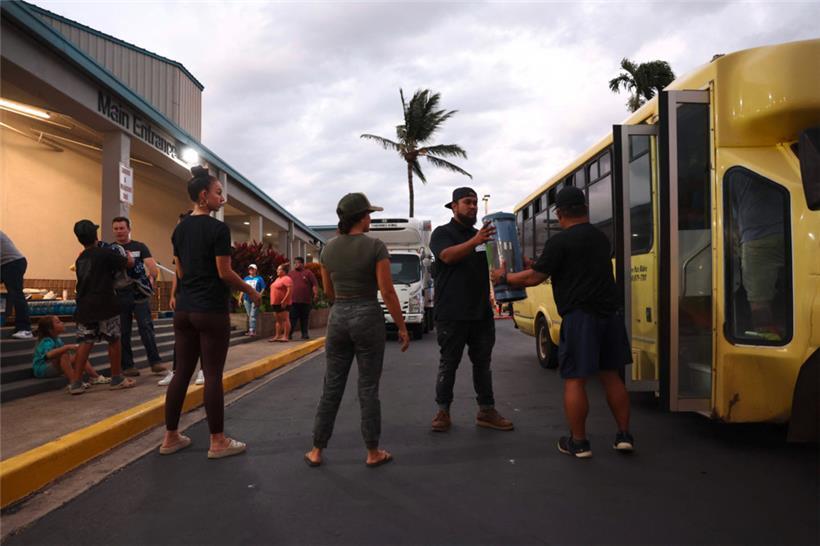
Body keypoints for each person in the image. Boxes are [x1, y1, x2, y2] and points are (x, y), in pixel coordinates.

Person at [491, 186, 633, 458]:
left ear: (560, 213)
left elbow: (533, 278)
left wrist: (504, 278)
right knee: (611, 376)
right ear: (585, 209)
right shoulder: (601, 238)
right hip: (610, 316)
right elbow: (563, 267)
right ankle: (624, 435)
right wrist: (535, 263)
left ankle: (578, 442)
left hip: (581, 318)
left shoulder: (560, 242)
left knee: (575, 379)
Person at [160, 166, 262, 459]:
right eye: (219, 193)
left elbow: (179, 269)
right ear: (203, 196)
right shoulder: (218, 229)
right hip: (211, 309)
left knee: (182, 373)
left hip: (185, 309)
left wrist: (180, 293)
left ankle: (170, 437)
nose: (223, 198)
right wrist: (250, 290)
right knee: (213, 374)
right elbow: (224, 272)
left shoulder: (179, 229)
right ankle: (217, 441)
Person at [304, 193, 410, 468]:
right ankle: (372, 451)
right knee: (368, 387)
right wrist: (401, 327)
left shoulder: (327, 249)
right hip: (367, 315)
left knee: (332, 386)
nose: (370, 218)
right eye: (368, 214)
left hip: (338, 316)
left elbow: (328, 292)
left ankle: (316, 449)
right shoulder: (375, 247)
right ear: (361, 217)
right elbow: (386, 291)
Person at [428, 187, 514, 433]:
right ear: (454, 206)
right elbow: (446, 256)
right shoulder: (442, 233)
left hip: (480, 313)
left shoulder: (482, 237)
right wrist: (475, 241)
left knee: (482, 364)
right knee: (449, 363)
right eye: (468, 202)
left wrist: (503, 271)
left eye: (476, 202)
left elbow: (493, 267)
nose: (473, 206)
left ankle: (486, 411)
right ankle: (443, 411)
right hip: (451, 313)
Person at [71, 220, 137, 395]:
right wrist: (129, 257)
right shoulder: (105, 253)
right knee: (114, 340)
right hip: (106, 303)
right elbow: (128, 263)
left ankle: (76, 382)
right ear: (96, 236)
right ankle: (117, 378)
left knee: (85, 342)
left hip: (84, 305)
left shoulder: (80, 258)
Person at [112, 217, 168, 377]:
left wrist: (151, 280)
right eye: (115, 229)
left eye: (121, 228)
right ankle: (128, 366)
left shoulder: (139, 246)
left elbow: (152, 267)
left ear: (129, 229)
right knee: (124, 331)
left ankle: (155, 362)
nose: (119, 231)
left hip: (139, 294)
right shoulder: (111, 249)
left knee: (146, 327)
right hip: (120, 294)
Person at [157, 211, 204, 387]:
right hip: (184, 297)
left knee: (201, 334)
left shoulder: (202, 245)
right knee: (181, 336)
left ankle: (203, 370)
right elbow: (178, 273)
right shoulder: (180, 246)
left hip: (200, 296)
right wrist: (173, 295)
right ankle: (176, 371)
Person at [33, 315, 110, 386]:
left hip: (53, 366)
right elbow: (48, 355)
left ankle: (94, 377)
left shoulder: (57, 339)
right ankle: (74, 382)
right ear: (50, 329)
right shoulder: (46, 341)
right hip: (42, 369)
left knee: (79, 356)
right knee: (64, 356)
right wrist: (67, 347)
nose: (62, 323)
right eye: (58, 322)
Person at [1, 230, 33, 339]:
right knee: (15, 294)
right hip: (8, 263)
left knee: (16, 294)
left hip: (12, 263)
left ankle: (25, 329)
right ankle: (21, 327)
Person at [288, 257, 318, 340]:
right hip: (293, 300)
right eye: (295, 263)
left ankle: (304, 334)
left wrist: (315, 294)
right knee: (292, 318)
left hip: (306, 301)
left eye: (298, 263)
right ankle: (289, 334)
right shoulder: (290, 274)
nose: (296, 264)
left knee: (304, 318)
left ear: (302, 264)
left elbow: (314, 284)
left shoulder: (308, 273)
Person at [269, 263, 293, 342]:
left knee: (285, 319)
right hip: (275, 303)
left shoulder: (287, 278)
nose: (277, 271)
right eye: (277, 269)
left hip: (283, 303)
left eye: (279, 269)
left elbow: (290, 290)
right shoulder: (277, 279)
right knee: (278, 320)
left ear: (284, 271)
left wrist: (285, 300)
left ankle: (285, 336)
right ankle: (277, 336)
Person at [242, 264, 266, 336]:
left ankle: (252, 330)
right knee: (250, 315)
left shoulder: (259, 278)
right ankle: (251, 330)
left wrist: (259, 295)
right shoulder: (246, 278)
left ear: (256, 270)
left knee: (252, 315)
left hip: (255, 299)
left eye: (252, 269)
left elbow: (263, 288)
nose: (251, 270)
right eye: (250, 269)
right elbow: (242, 288)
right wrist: (240, 298)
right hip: (246, 299)